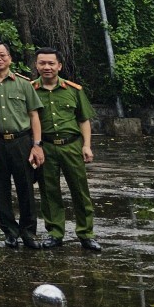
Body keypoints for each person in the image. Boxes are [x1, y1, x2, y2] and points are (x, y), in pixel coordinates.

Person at [33, 48, 100, 250]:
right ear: (36, 66)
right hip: (46, 147)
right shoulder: (30, 90)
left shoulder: (74, 90)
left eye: (51, 63)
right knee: (49, 191)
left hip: (71, 146)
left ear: (59, 66)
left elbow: (84, 120)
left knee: (80, 191)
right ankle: (55, 233)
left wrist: (86, 146)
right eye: (42, 63)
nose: (47, 67)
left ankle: (86, 234)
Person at [0, 40, 44, 249]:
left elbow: (33, 115)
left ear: (10, 58)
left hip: (21, 141)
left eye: (2, 55)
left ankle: (28, 232)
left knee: (25, 187)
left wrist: (37, 144)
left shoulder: (24, 84)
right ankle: (9, 232)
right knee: (0, 190)